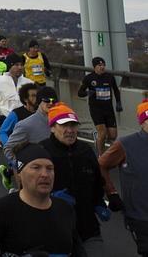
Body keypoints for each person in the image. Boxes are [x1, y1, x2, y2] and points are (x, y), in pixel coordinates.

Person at [0, 144, 87, 257]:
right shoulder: (3, 209)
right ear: (19, 174)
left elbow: (78, 251)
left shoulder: (64, 208)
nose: (45, 174)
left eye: (49, 168)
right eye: (36, 167)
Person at [44, 103, 105, 247]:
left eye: (73, 125)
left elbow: (97, 180)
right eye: (64, 126)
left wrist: (99, 202)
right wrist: (51, 197)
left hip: (88, 225)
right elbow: (28, 190)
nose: (70, 130)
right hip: (55, 226)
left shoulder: (85, 150)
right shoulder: (42, 151)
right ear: (52, 127)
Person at [100, 99, 148, 254]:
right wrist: (111, 192)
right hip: (141, 217)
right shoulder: (125, 144)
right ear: (142, 123)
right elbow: (101, 165)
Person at [79, 56, 123, 155]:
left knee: (113, 135)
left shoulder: (109, 77)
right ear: (95, 67)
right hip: (96, 109)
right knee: (102, 134)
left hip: (108, 109)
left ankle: (101, 141)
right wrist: (88, 93)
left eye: (103, 65)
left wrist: (118, 103)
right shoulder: (89, 78)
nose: (102, 67)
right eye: (99, 65)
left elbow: (116, 90)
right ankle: (102, 156)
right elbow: (80, 93)